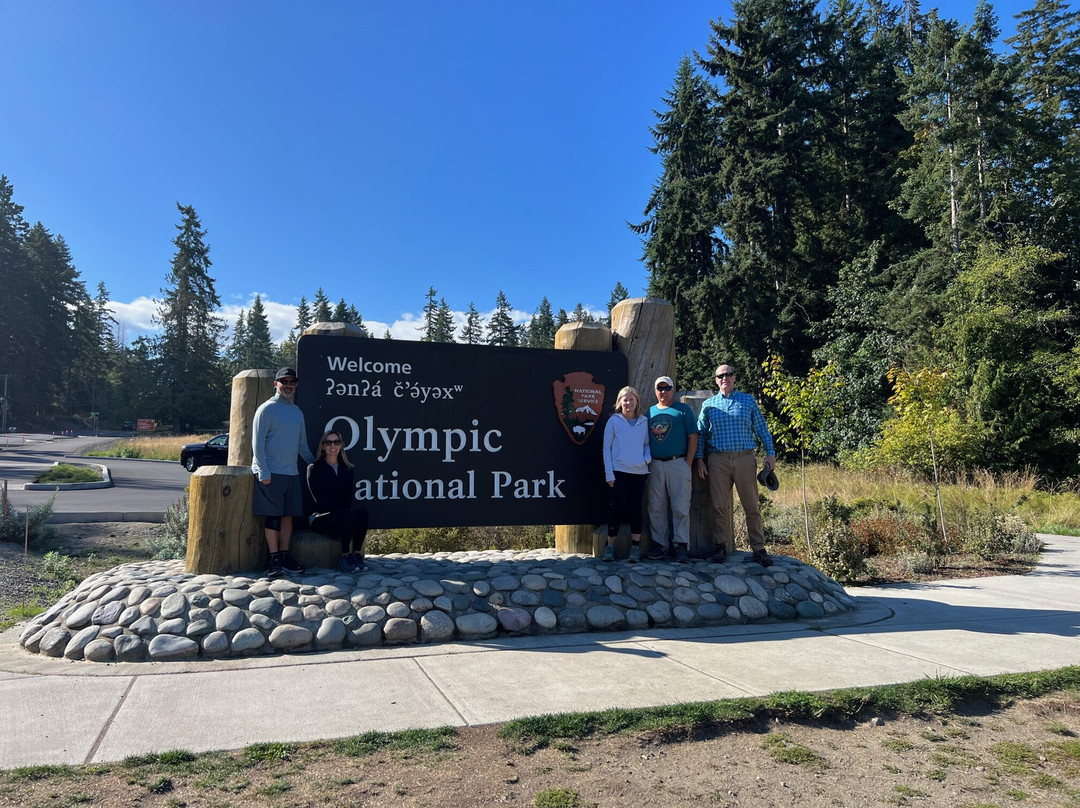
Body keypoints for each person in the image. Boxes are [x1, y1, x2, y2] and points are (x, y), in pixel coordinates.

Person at [693, 363, 776, 567]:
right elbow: (701, 433)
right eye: (720, 375)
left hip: (744, 458)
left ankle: (758, 549)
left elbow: (762, 428)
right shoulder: (709, 405)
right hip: (718, 460)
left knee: (752, 506)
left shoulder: (747, 400)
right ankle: (720, 546)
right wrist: (699, 459)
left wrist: (770, 453)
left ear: (734, 378)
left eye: (728, 374)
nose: (725, 378)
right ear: (715, 380)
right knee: (719, 506)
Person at [252, 367, 317, 578]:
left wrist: (318, 463)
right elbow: (257, 443)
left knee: (288, 517)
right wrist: (263, 471)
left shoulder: (297, 412)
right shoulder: (266, 409)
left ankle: (285, 556)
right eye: (284, 382)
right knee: (273, 517)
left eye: (292, 382)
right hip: (270, 473)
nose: (288, 386)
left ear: (295, 385)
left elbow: (302, 446)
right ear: (276, 384)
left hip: (291, 474)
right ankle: (274, 560)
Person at [645, 376, 698, 563]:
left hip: (678, 462)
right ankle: (661, 546)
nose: (663, 391)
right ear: (655, 391)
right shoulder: (649, 412)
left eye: (667, 388)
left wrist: (688, 463)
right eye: (660, 388)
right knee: (656, 506)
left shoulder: (683, 410)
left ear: (673, 390)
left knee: (680, 506)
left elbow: (693, 436)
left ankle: (681, 545)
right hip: (655, 463)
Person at [307, 429, 370, 573]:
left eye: (336, 442)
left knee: (362, 513)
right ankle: (345, 556)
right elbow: (319, 499)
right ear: (323, 446)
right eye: (328, 442)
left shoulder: (347, 469)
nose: (332, 445)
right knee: (347, 515)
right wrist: (342, 513)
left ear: (341, 445)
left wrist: (344, 513)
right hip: (320, 518)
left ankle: (356, 554)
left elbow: (348, 496)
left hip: (341, 517)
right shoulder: (314, 468)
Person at [602, 386, 651, 563]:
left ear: (637, 401)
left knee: (635, 509)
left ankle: (635, 549)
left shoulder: (644, 421)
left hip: (639, 472)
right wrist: (609, 473)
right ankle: (609, 547)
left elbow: (647, 444)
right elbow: (606, 447)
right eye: (625, 399)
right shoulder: (614, 421)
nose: (628, 403)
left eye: (631, 399)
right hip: (619, 472)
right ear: (619, 402)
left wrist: (645, 459)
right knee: (617, 509)